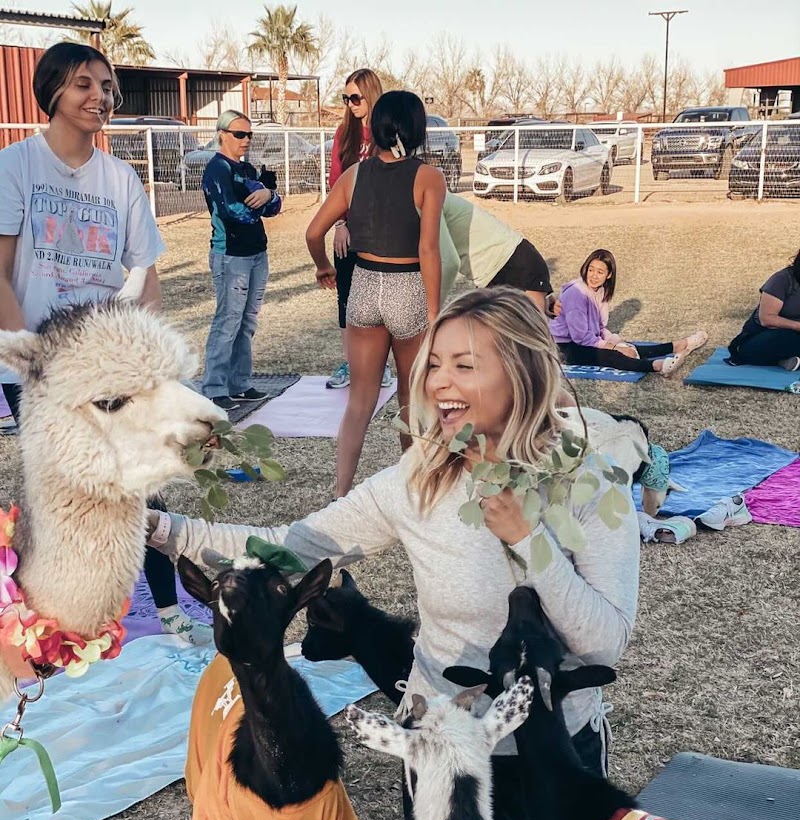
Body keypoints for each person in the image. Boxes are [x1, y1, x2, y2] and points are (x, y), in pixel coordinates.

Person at [147, 288, 640, 777]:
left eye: (464, 366)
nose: (438, 382)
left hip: (559, 757)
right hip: (441, 750)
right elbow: (287, 547)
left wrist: (528, 539)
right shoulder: (420, 479)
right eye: (434, 364)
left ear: (522, 373)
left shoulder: (588, 480)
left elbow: (603, 645)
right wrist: (157, 529)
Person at [0, 42, 209, 645]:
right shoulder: (15, 167)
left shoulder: (120, 179)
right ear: (53, 91)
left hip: (112, 369)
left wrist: (146, 366)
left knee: (140, 483)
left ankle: (168, 609)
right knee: (62, 494)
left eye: (108, 86)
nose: (101, 97)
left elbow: (146, 274)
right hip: (49, 374)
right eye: (84, 84)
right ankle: (45, 622)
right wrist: (34, 360)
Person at [306, 90, 446, 497]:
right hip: (407, 286)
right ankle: (415, 489)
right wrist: (434, 311)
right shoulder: (428, 177)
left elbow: (314, 232)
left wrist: (323, 266)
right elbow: (429, 249)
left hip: (364, 284)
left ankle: (340, 493)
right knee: (411, 399)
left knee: (359, 402)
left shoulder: (353, 175)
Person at [200, 109, 282, 411]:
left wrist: (268, 195)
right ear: (222, 135)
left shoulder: (247, 169)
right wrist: (264, 199)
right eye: (239, 134)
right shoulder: (216, 169)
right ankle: (214, 387)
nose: (246, 140)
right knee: (228, 320)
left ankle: (240, 383)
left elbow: (274, 206)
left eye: (249, 134)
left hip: (257, 253)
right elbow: (232, 212)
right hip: (230, 255)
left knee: (247, 321)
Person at [324, 68, 392, 393]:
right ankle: (350, 362)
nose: (350, 104)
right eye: (346, 98)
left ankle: (380, 365)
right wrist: (340, 223)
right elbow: (335, 180)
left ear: (370, 95)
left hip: (381, 229)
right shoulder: (344, 134)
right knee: (347, 298)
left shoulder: (386, 132)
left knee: (380, 300)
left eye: (355, 98)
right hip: (349, 229)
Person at [550, 248, 707, 376]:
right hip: (563, 346)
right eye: (591, 270)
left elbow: (599, 328)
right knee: (612, 355)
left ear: (609, 275)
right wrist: (614, 347)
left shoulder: (600, 291)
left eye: (600, 272)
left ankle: (677, 346)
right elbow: (580, 337)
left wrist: (618, 342)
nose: (594, 276)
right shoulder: (576, 293)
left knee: (628, 348)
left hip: (583, 340)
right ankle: (658, 366)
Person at [439, 191, 552, 314]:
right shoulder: (431, 196)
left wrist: (432, 310)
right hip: (491, 275)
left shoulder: (430, 198)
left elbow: (449, 263)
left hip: (514, 265)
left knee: (529, 325)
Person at [728, 249, 800, 371]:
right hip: (762, 336)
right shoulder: (782, 279)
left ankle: (784, 360)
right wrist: (797, 326)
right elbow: (766, 318)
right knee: (788, 338)